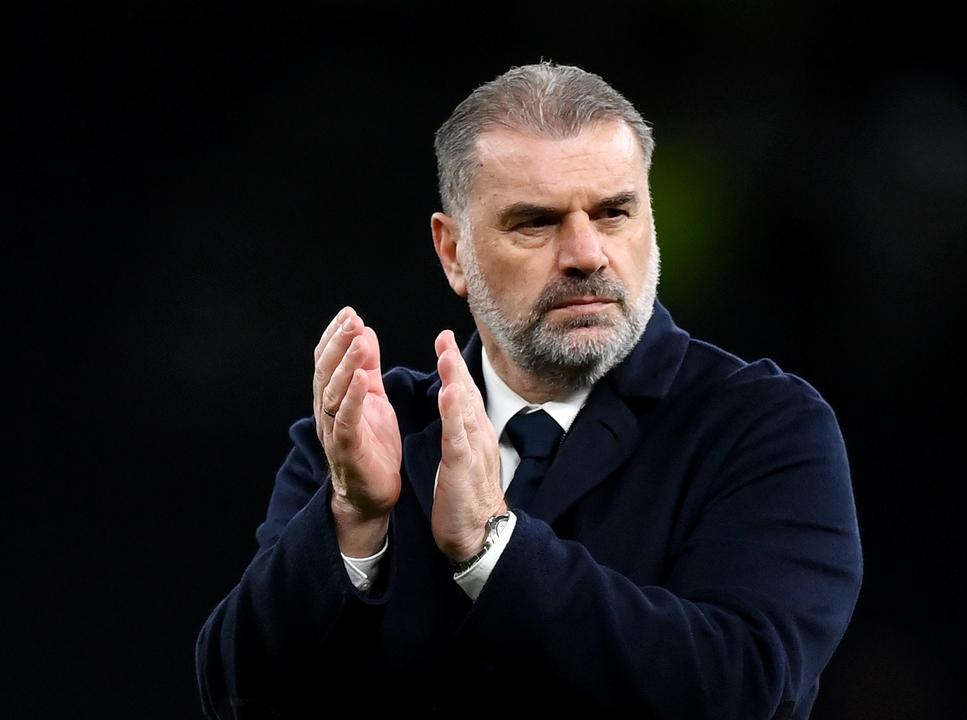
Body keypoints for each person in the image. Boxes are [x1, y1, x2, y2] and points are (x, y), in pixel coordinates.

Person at [195, 61, 863, 719]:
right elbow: (235, 692)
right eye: (536, 222)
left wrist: (495, 546)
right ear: (453, 253)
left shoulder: (760, 428)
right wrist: (353, 520)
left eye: (613, 213)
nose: (586, 253)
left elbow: (737, 691)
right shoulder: (366, 440)